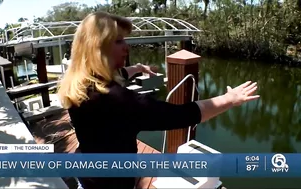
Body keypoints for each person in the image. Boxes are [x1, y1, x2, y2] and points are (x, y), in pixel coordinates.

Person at [57, 12, 260, 189]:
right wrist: (229, 99)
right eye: (118, 41)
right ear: (97, 46)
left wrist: (137, 68)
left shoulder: (78, 84)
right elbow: (181, 115)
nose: (126, 47)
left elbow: (117, 73)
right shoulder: (118, 100)